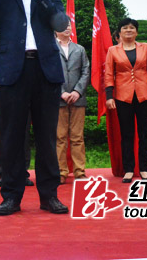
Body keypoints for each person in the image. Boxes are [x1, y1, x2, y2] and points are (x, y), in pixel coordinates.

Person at [0, 0, 69, 216]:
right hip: (11, 73)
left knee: (47, 137)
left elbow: (60, 24)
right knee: (11, 138)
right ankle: (11, 196)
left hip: (46, 71)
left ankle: (49, 196)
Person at [105, 18, 147, 184]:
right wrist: (109, 96)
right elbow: (109, 74)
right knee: (126, 134)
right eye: (125, 28)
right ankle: (129, 170)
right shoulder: (112, 50)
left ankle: (144, 169)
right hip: (123, 96)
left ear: (136, 32)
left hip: (144, 95)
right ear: (119, 32)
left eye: (132, 28)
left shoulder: (146, 47)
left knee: (145, 134)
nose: (129, 30)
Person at [56, 21, 90, 183]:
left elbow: (86, 71)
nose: (67, 28)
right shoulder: (50, 48)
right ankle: (61, 172)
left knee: (77, 137)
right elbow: (48, 72)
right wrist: (62, 92)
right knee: (60, 137)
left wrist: (77, 91)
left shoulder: (80, 49)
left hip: (78, 99)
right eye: (63, 25)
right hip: (58, 99)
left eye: (69, 25)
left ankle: (79, 171)